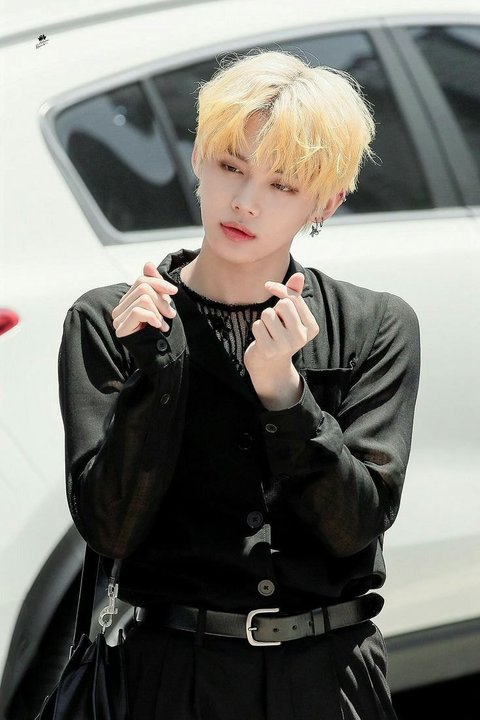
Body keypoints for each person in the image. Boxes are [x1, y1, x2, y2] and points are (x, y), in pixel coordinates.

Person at [58, 50, 421, 720]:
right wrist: (158, 375)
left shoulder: (373, 326)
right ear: (199, 159)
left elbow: (355, 526)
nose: (246, 202)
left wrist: (286, 395)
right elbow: (110, 528)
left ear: (327, 202)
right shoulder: (113, 321)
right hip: (165, 680)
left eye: (282, 185)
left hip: (327, 680)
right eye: (231, 166)